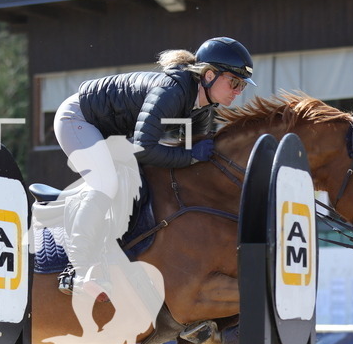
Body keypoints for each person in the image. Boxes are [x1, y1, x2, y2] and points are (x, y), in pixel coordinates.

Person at [53, 36, 255, 295]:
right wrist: (192, 156)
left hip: (113, 134)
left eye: (243, 85)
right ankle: (78, 271)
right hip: (79, 118)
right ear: (208, 75)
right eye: (235, 82)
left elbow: (193, 167)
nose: (238, 91)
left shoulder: (204, 109)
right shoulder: (172, 89)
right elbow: (144, 147)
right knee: (105, 182)